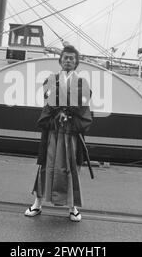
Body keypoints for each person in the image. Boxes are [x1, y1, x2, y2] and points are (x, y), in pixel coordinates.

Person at [24, 45, 93, 222]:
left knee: (72, 169)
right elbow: (48, 101)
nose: (68, 60)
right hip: (54, 131)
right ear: (60, 60)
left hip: (72, 133)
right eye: (65, 57)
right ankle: (37, 204)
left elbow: (84, 105)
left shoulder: (82, 82)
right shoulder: (51, 79)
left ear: (76, 62)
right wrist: (58, 113)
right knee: (46, 166)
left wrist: (68, 113)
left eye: (72, 58)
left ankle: (73, 207)